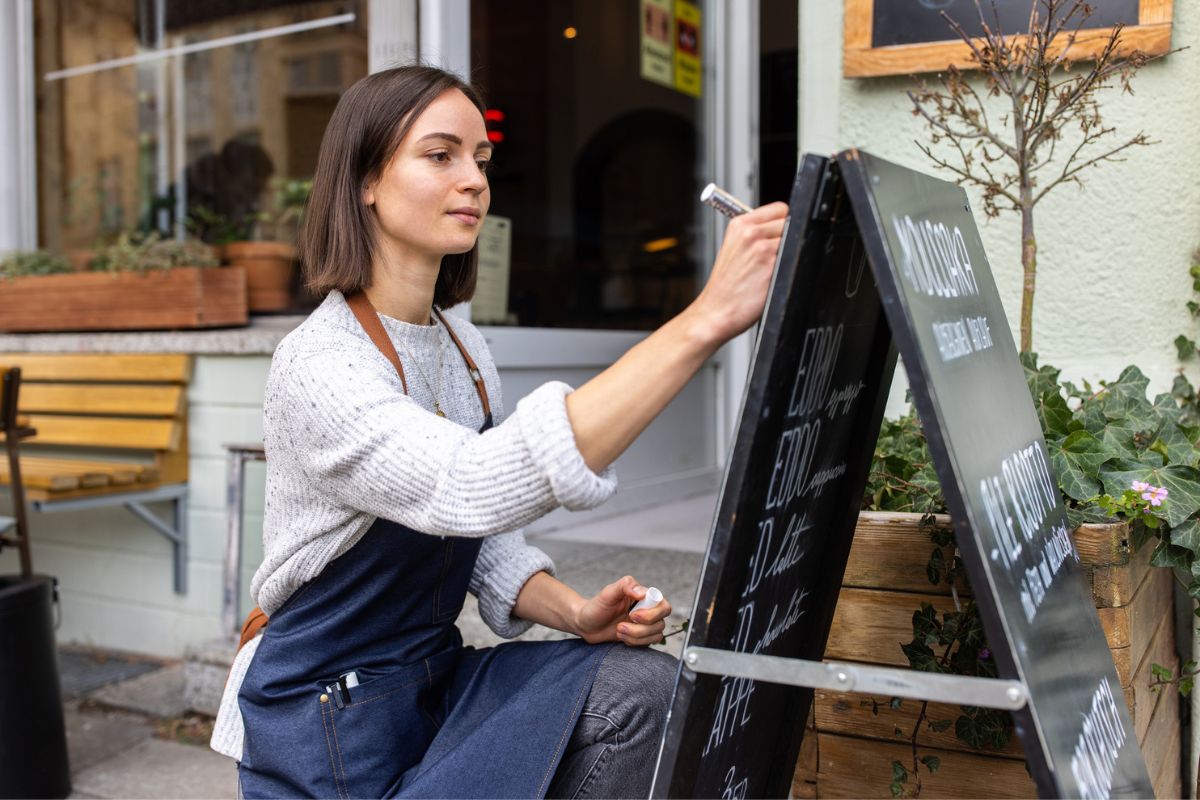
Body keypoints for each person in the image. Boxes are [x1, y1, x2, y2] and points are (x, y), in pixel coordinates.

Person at [210, 64, 787, 799]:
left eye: (481, 160)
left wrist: (576, 612)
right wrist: (705, 321)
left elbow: (480, 544)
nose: (475, 180)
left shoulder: (462, 348)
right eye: (440, 155)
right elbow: (471, 488)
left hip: (431, 681)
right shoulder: (320, 366)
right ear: (365, 180)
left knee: (644, 692)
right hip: (327, 720)